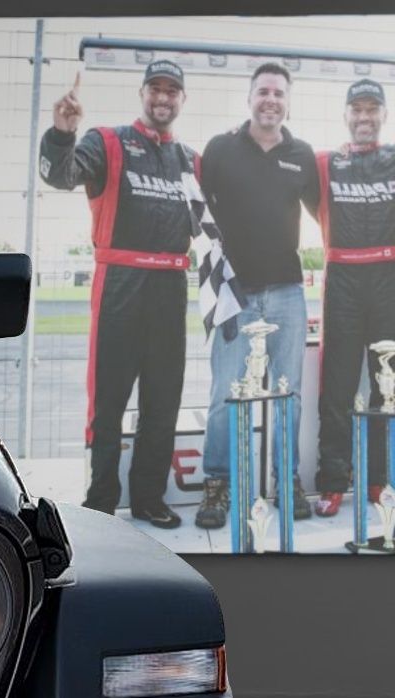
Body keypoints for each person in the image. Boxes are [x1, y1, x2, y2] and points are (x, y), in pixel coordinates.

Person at [38, 60, 195, 528]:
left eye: (172, 91)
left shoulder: (190, 159)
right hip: (120, 283)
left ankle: (149, 497)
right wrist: (62, 133)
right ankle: (102, 500)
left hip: (172, 286)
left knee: (163, 399)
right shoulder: (106, 140)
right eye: (155, 89)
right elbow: (60, 175)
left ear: (182, 100)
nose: (163, 98)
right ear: (142, 93)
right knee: (108, 400)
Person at [194, 63, 321, 530]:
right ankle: (218, 482)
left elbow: (329, 217)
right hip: (234, 293)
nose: (271, 99)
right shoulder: (221, 148)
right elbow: (195, 215)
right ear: (250, 97)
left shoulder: (303, 155)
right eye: (263, 91)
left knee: (287, 394)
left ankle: (285, 480)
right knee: (226, 394)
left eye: (279, 93)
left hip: (288, 291)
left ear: (287, 101)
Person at [312, 79, 395, 517]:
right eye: (357, 110)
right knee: (337, 389)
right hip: (342, 278)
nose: (365, 117)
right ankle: (332, 481)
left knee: (389, 390)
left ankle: (381, 481)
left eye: (372, 109)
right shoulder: (326, 163)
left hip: (389, 281)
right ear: (346, 114)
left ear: (383, 114)